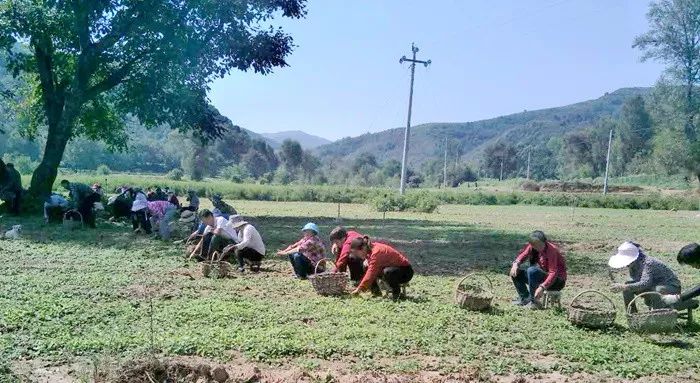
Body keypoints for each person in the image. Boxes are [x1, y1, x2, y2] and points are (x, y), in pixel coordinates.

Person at [609, 241, 681, 312]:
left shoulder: (648, 263)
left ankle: (658, 314)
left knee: (656, 290)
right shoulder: (633, 265)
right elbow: (636, 280)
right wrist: (626, 287)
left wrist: (625, 286)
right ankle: (632, 314)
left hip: (671, 286)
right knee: (627, 289)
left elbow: (645, 283)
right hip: (653, 285)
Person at [509, 230, 567, 309]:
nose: (537, 248)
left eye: (540, 245)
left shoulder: (552, 250)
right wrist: (515, 264)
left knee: (532, 271)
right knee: (515, 272)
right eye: (535, 246)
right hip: (546, 277)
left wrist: (542, 287)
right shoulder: (533, 247)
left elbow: (553, 272)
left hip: (557, 281)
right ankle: (525, 299)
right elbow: (523, 255)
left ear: (544, 242)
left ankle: (534, 302)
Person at [349, 236, 414, 301]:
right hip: (393, 269)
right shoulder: (370, 248)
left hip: (405, 271)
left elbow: (371, 273)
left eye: (356, 253)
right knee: (366, 266)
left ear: (363, 248)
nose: (356, 255)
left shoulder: (377, 252)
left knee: (387, 272)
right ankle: (376, 292)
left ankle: (397, 294)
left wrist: (359, 289)